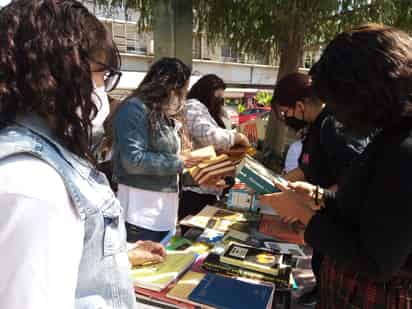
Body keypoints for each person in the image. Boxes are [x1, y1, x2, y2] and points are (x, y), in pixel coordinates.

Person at [0, 1, 166, 309]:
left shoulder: (37, 162)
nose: (103, 89)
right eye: (101, 73)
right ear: (56, 76)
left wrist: (117, 251)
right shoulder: (35, 184)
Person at [261, 24, 412, 308]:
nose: (338, 114)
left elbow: (378, 261)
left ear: (364, 91)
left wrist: (308, 220)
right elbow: (369, 208)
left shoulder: (404, 150)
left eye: (337, 101)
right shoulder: (391, 135)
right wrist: (319, 197)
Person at [271, 72, 368, 306]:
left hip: (340, 219)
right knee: (320, 264)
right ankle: (320, 290)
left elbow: (354, 176)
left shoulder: (332, 126)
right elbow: (309, 167)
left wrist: (314, 199)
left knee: (332, 272)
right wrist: (273, 182)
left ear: (300, 105)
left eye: (287, 112)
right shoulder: (317, 127)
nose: (288, 118)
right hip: (325, 216)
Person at [113, 57, 202, 243]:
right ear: (169, 87)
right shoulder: (134, 109)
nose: (183, 97)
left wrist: (200, 176)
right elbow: (134, 161)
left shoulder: (162, 114)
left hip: (165, 215)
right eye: (183, 91)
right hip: (139, 215)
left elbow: (170, 165)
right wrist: (180, 161)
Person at [179, 74, 250, 221]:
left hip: (211, 186)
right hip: (196, 186)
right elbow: (209, 136)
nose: (219, 102)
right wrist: (237, 137)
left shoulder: (210, 111)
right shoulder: (193, 106)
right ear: (206, 93)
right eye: (217, 97)